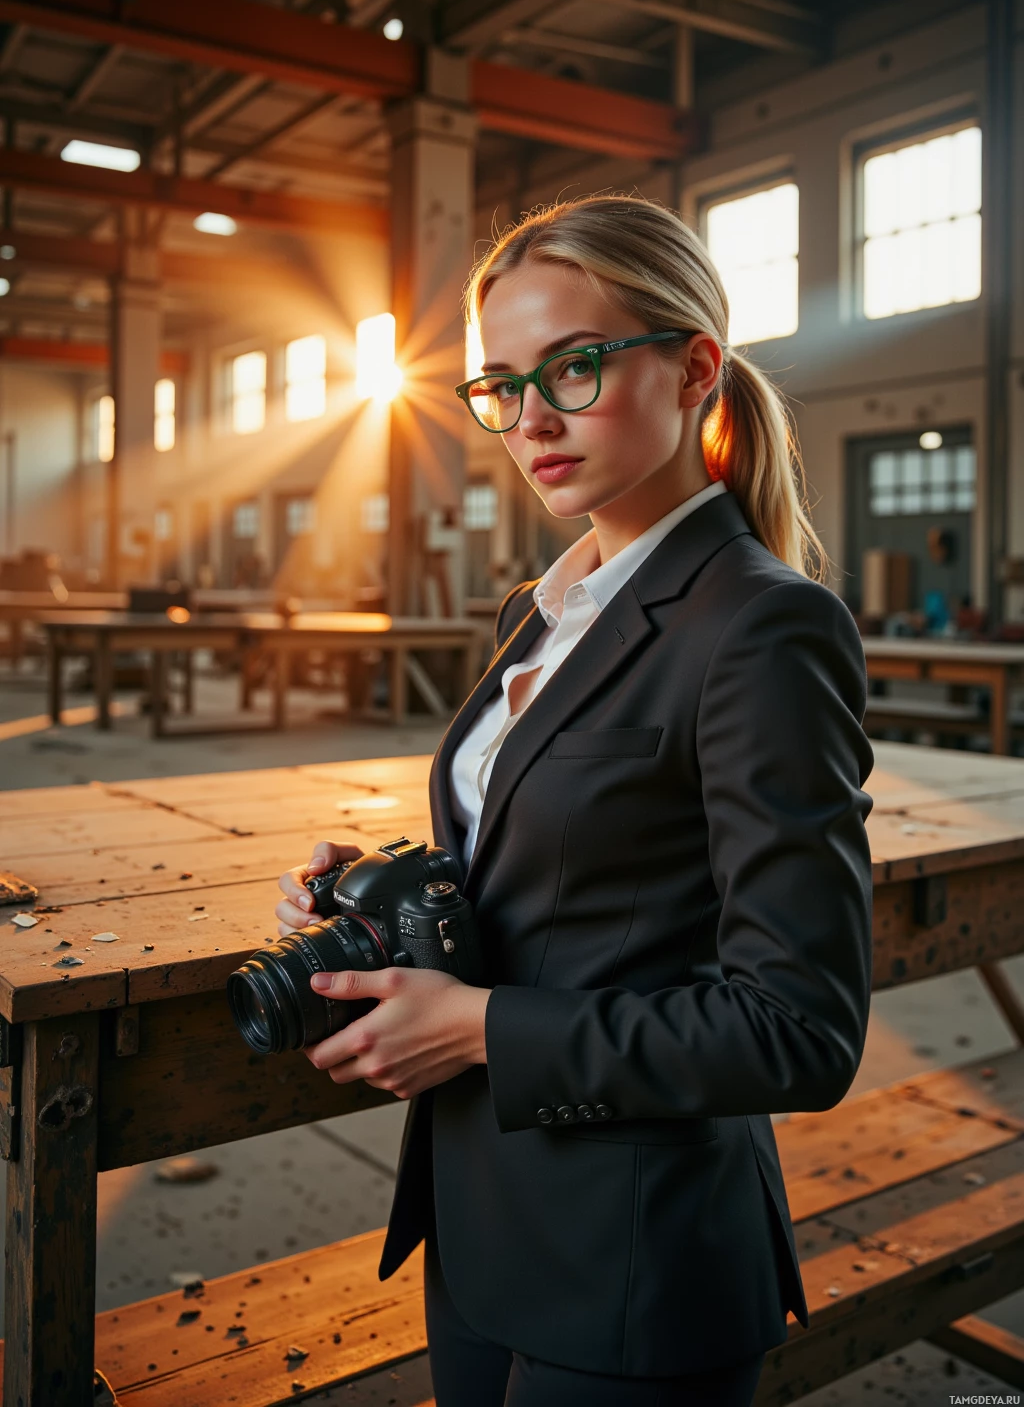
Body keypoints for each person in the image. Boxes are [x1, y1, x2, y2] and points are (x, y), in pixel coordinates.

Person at [275, 194, 875, 1406]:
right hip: (482, 1214)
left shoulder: (760, 627)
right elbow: (560, 876)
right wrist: (379, 897)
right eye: (501, 386)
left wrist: (479, 1029)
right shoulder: (538, 610)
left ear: (694, 367)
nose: (530, 419)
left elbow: (800, 1029)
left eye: (578, 367)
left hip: (633, 1256)